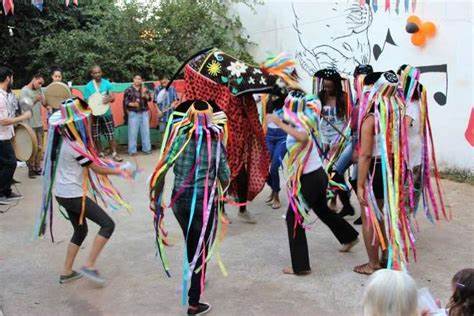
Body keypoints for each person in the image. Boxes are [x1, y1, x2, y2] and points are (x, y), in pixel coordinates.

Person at [36, 97, 132, 285]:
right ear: (78, 123)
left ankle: (66, 271)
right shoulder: (76, 146)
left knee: (80, 231)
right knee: (107, 225)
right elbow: (96, 168)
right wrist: (119, 171)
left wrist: (111, 164)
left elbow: (93, 162)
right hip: (73, 195)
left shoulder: (61, 141)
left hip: (62, 194)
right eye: (84, 119)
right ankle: (88, 265)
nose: (87, 121)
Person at [149, 100, 230, 315]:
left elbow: (162, 169)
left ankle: (197, 277)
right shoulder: (216, 142)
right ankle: (194, 304)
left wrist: (156, 199)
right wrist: (224, 186)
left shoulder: (180, 139)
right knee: (201, 247)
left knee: (193, 241)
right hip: (203, 202)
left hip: (180, 202)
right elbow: (225, 175)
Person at [267, 90, 359, 275]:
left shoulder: (302, 125)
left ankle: (300, 266)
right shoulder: (303, 119)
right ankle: (349, 236)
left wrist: (278, 123)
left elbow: (302, 137)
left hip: (311, 178)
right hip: (316, 177)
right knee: (323, 210)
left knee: (294, 218)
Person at [354, 71, 414, 275]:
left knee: (370, 216)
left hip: (376, 171)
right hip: (395, 168)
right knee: (389, 215)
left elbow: (365, 155)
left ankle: (373, 264)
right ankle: (388, 257)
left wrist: (360, 184)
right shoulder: (400, 114)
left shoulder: (371, 118)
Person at [331, 64, 374, 224]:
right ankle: (348, 205)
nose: (359, 80)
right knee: (335, 173)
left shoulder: (369, 97)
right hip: (353, 139)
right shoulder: (357, 97)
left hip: (362, 143)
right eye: (357, 77)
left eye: (362, 77)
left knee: (357, 179)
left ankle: (367, 211)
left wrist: (358, 149)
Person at [0, 66, 32, 205]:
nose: (12, 80)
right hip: (1, 137)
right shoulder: (0, 97)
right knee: (11, 163)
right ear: (8, 77)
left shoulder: (6, 94)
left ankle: (6, 191)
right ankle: (1, 192)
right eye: (12, 77)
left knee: (4, 164)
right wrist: (23, 117)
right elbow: (3, 120)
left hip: (6, 135)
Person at [83, 65, 122, 162]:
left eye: (99, 72)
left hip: (106, 113)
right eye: (95, 73)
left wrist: (109, 98)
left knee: (110, 134)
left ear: (101, 73)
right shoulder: (88, 86)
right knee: (96, 135)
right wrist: (92, 107)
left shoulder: (107, 83)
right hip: (94, 115)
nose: (97, 74)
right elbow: (86, 102)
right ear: (92, 74)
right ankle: (100, 153)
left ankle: (114, 153)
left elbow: (113, 97)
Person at [20, 74, 46, 178]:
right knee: (32, 148)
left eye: (42, 84)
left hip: (39, 123)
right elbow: (24, 107)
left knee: (40, 147)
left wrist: (43, 99)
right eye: (39, 83)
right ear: (34, 79)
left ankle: (37, 167)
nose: (40, 85)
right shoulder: (24, 91)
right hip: (29, 124)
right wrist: (35, 99)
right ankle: (30, 170)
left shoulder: (39, 90)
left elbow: (44, 104)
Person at [264, 94, 287, 209]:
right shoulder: (268, 103)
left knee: (274, 167)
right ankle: (273, 189)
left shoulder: (287, 103)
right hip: (269, 136)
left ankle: (276, 195)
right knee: (263, 168)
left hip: (282, 138)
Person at [123, 74, 152, 155]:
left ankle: (147, 149)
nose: (138, 80)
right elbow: (126, 102)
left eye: (139, 79)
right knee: (132, 133)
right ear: (133, 79)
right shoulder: (128, 90)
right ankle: (132, 151)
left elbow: (149, 99)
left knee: (145, 132)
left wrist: (144, 94)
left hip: (144, 113)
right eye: (136, 78)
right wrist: (133, 104)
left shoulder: (144, 88)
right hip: (133, 113)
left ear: (141, 80)